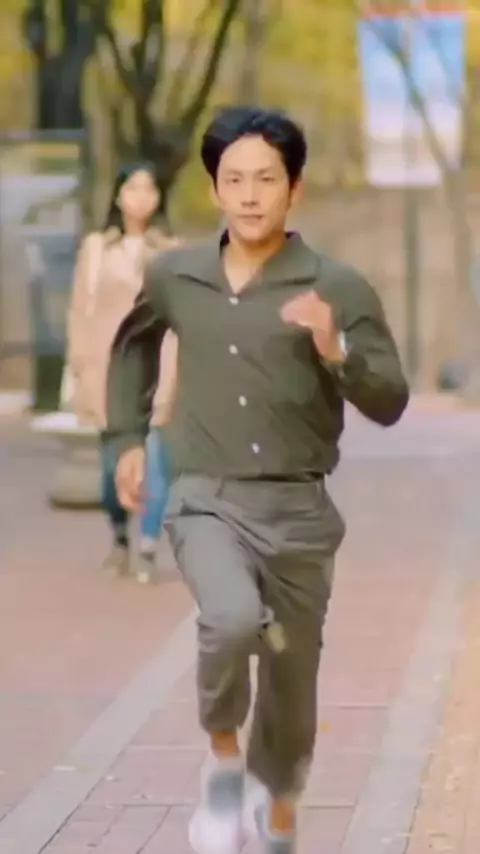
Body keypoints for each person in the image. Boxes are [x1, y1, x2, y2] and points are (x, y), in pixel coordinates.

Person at [105, 108, 409, 853]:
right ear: (214, 188)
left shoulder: (337, 286)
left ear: (294, 189)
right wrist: (128, 439)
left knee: (291, 683)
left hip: (299, 510)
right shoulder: (176, 276)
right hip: (206, 497)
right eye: (233, 179)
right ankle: (221, 765)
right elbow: (133, 346)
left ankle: (277, 813)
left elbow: (390, 400)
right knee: (231, 618)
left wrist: (335, 350)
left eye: (266, 180)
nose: (248, 195)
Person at [67, 162, 179, 584]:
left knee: (156, 460)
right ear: (117, 196)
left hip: (158, 367)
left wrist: (178, 373)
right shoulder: (97, 248)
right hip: (106, 369)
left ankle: (147, 547)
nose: (142, 197)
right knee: (113, 465)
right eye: (133, 188)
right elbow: (80, 312)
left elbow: (179, 319)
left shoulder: (171, 251)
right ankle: (119, 537)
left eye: (150, 189)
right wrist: (79, 368)